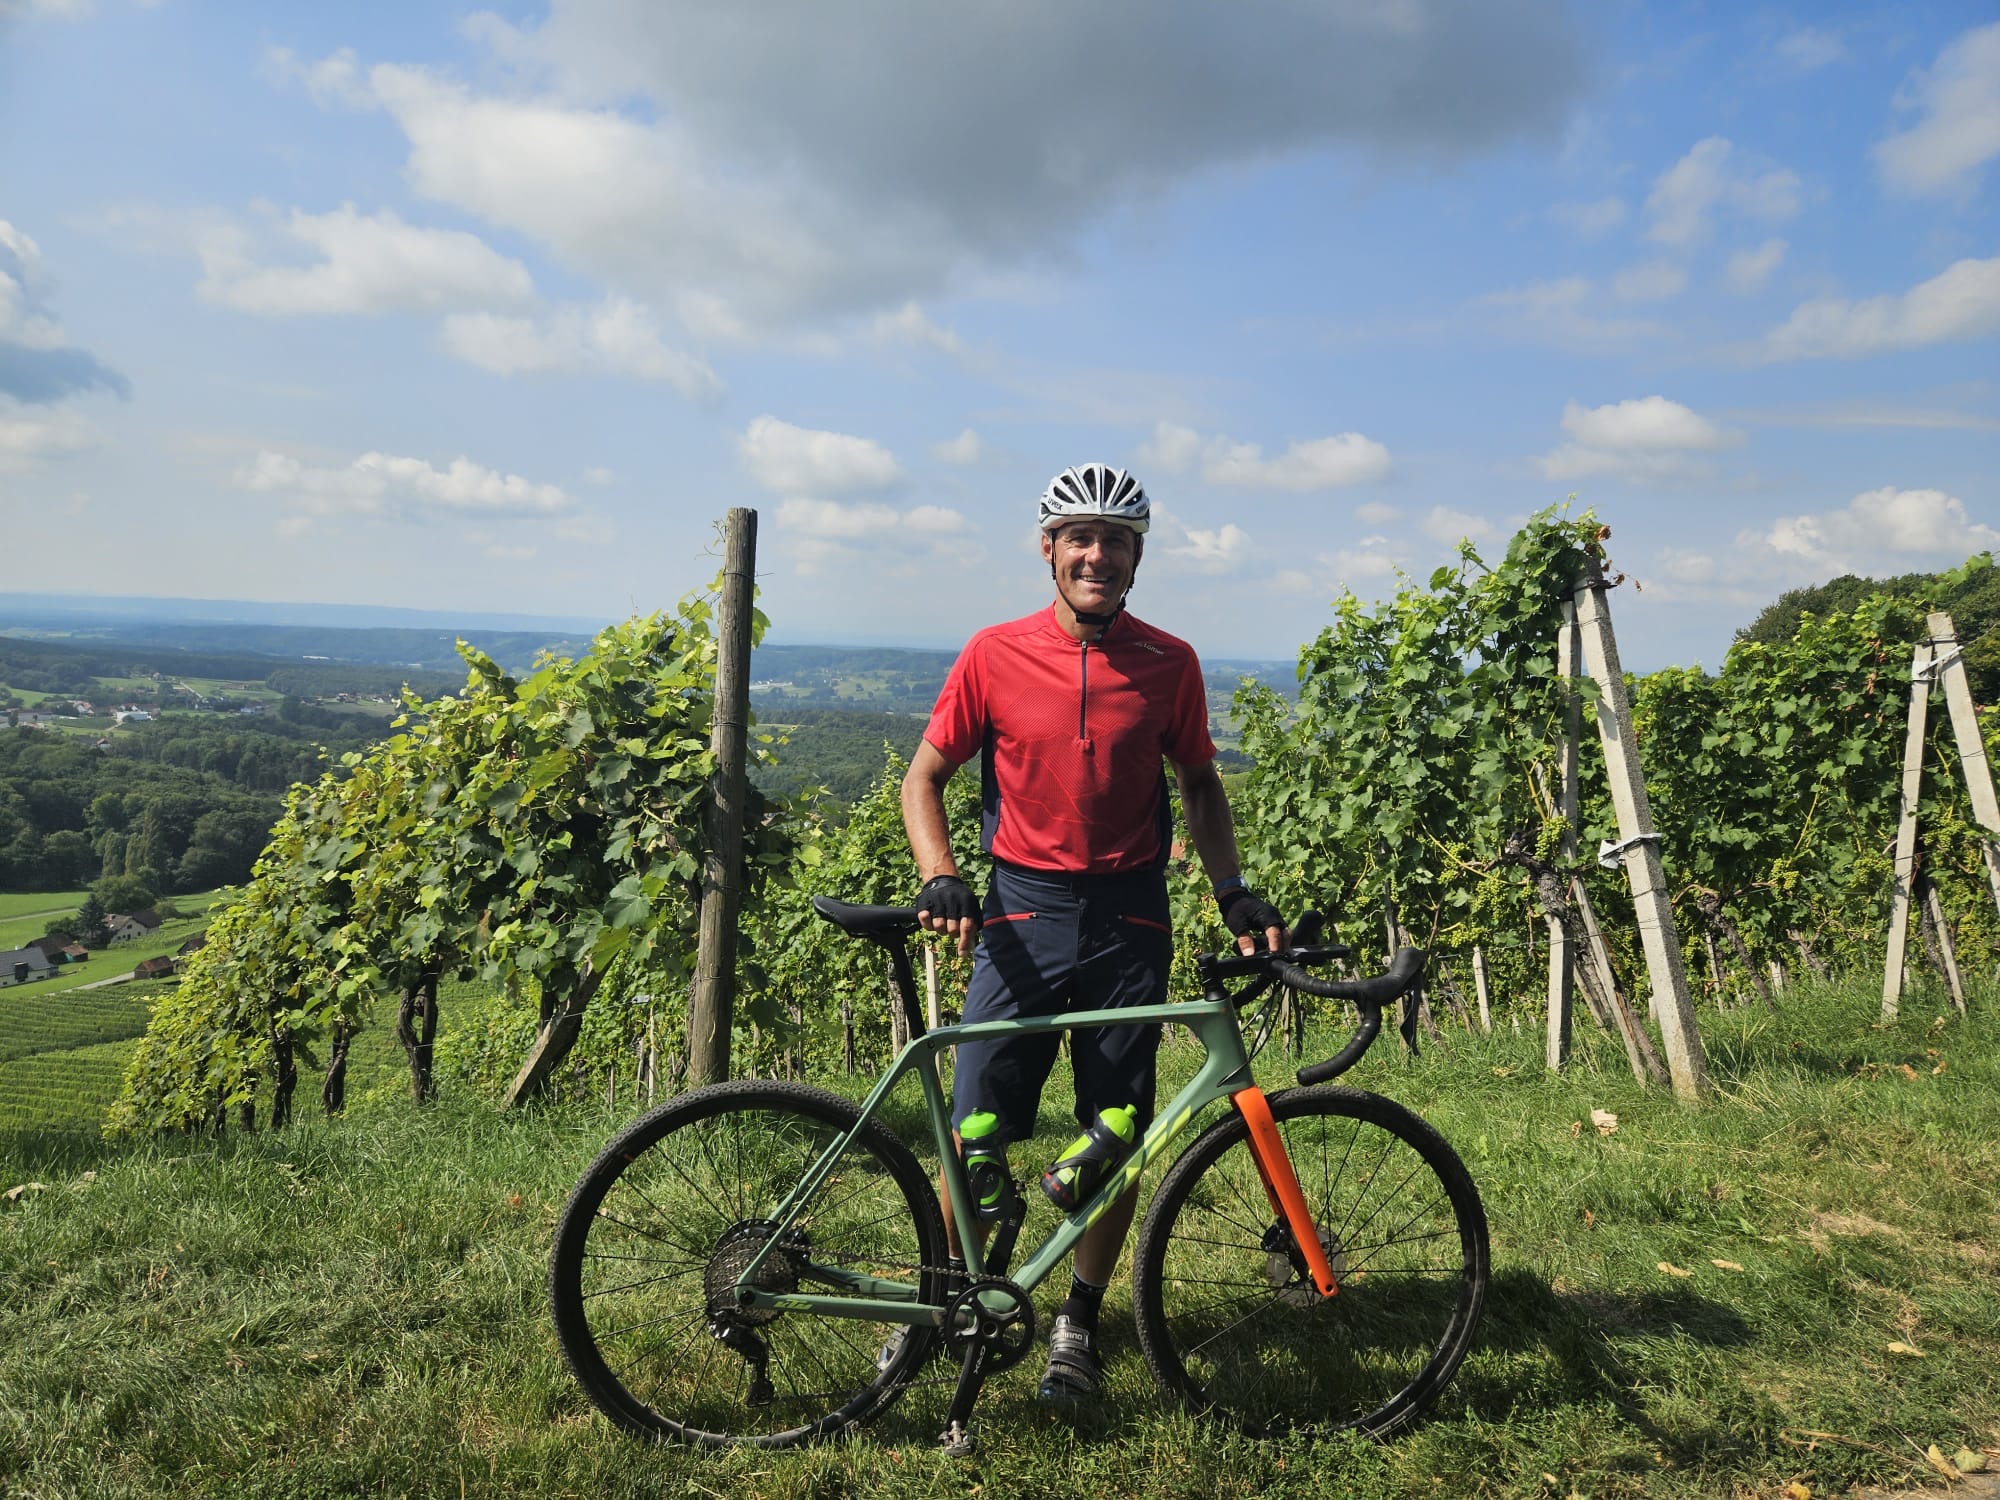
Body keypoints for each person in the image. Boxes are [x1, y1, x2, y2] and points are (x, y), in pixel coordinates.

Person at [901, 461, 1286, 1403]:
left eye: (1117, 540)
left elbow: (1199, 782)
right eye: (1081, 538)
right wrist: (941, 873)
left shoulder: (1170, 662)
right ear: (1049, 549)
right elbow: (924, 779)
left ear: (1137, 556)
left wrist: (1232, 891)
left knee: (1115, 1124)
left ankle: (1078, 1318)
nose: (1098, 556)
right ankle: (952, 1302)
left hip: (1130, 915)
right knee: (974, 1127)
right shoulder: (994, 653)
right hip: (1021, 913)